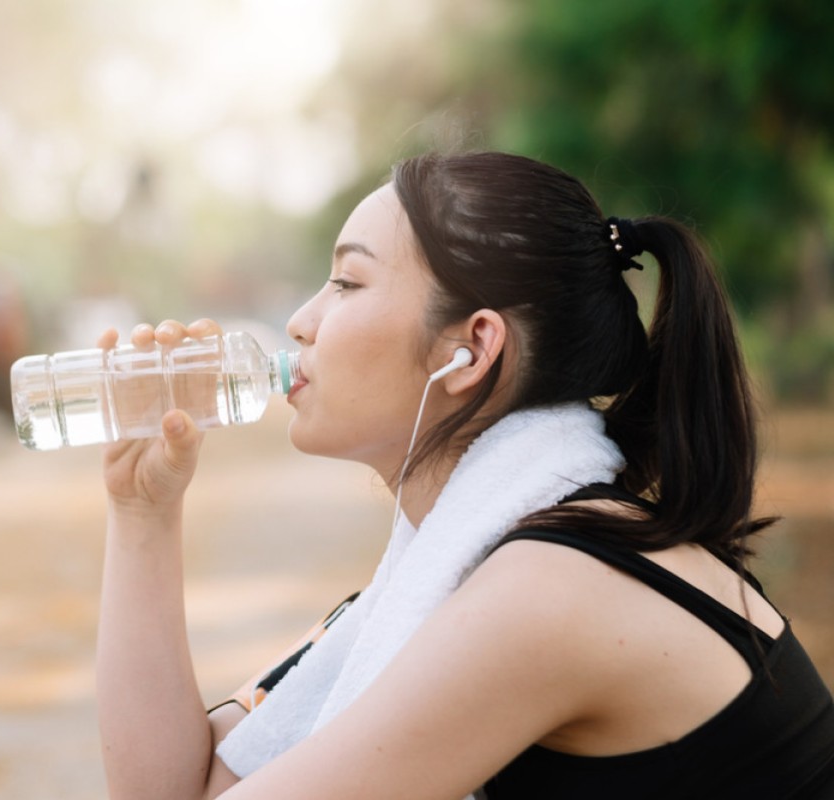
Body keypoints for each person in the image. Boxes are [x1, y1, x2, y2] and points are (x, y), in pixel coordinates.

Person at [92, 151, 834, 799]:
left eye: (347, 283)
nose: (300, 321)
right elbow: (178, 789)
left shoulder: (548, 591)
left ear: (472, 349)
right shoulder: (480, 558)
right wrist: (143, 510)